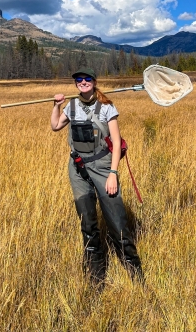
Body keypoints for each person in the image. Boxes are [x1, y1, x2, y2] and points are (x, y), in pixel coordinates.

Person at [51, 67, 143, 286]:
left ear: (94, 81)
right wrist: (56, 105)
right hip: (77, 168)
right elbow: (55, 126)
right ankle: (95, 275)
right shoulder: (72, 105)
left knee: (118, 222)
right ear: (76, 84)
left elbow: (117, 143)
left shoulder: (107, 107)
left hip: (103, 167)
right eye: (78, 79)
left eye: (87, 79)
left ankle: (135, 274)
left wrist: (113, 174)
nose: (82, 82)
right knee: (88, 223)